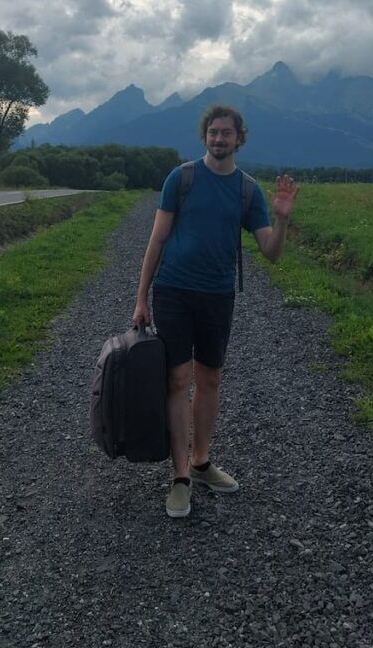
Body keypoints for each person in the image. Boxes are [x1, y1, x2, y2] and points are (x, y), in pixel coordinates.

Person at [132, 103, 299, 518]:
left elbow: (271, 253)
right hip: (172, 291)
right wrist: (140, 299)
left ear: (239, 138)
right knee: (177, 379)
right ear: (204, 136)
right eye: (213, 132)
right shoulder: (182, 178)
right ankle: (180, 476)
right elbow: (156, 241)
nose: (219, 139)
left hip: (217, 296)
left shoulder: (247, 190)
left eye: (227, 133)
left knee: (209, 379)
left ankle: (202, 461)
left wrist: (280, 221)